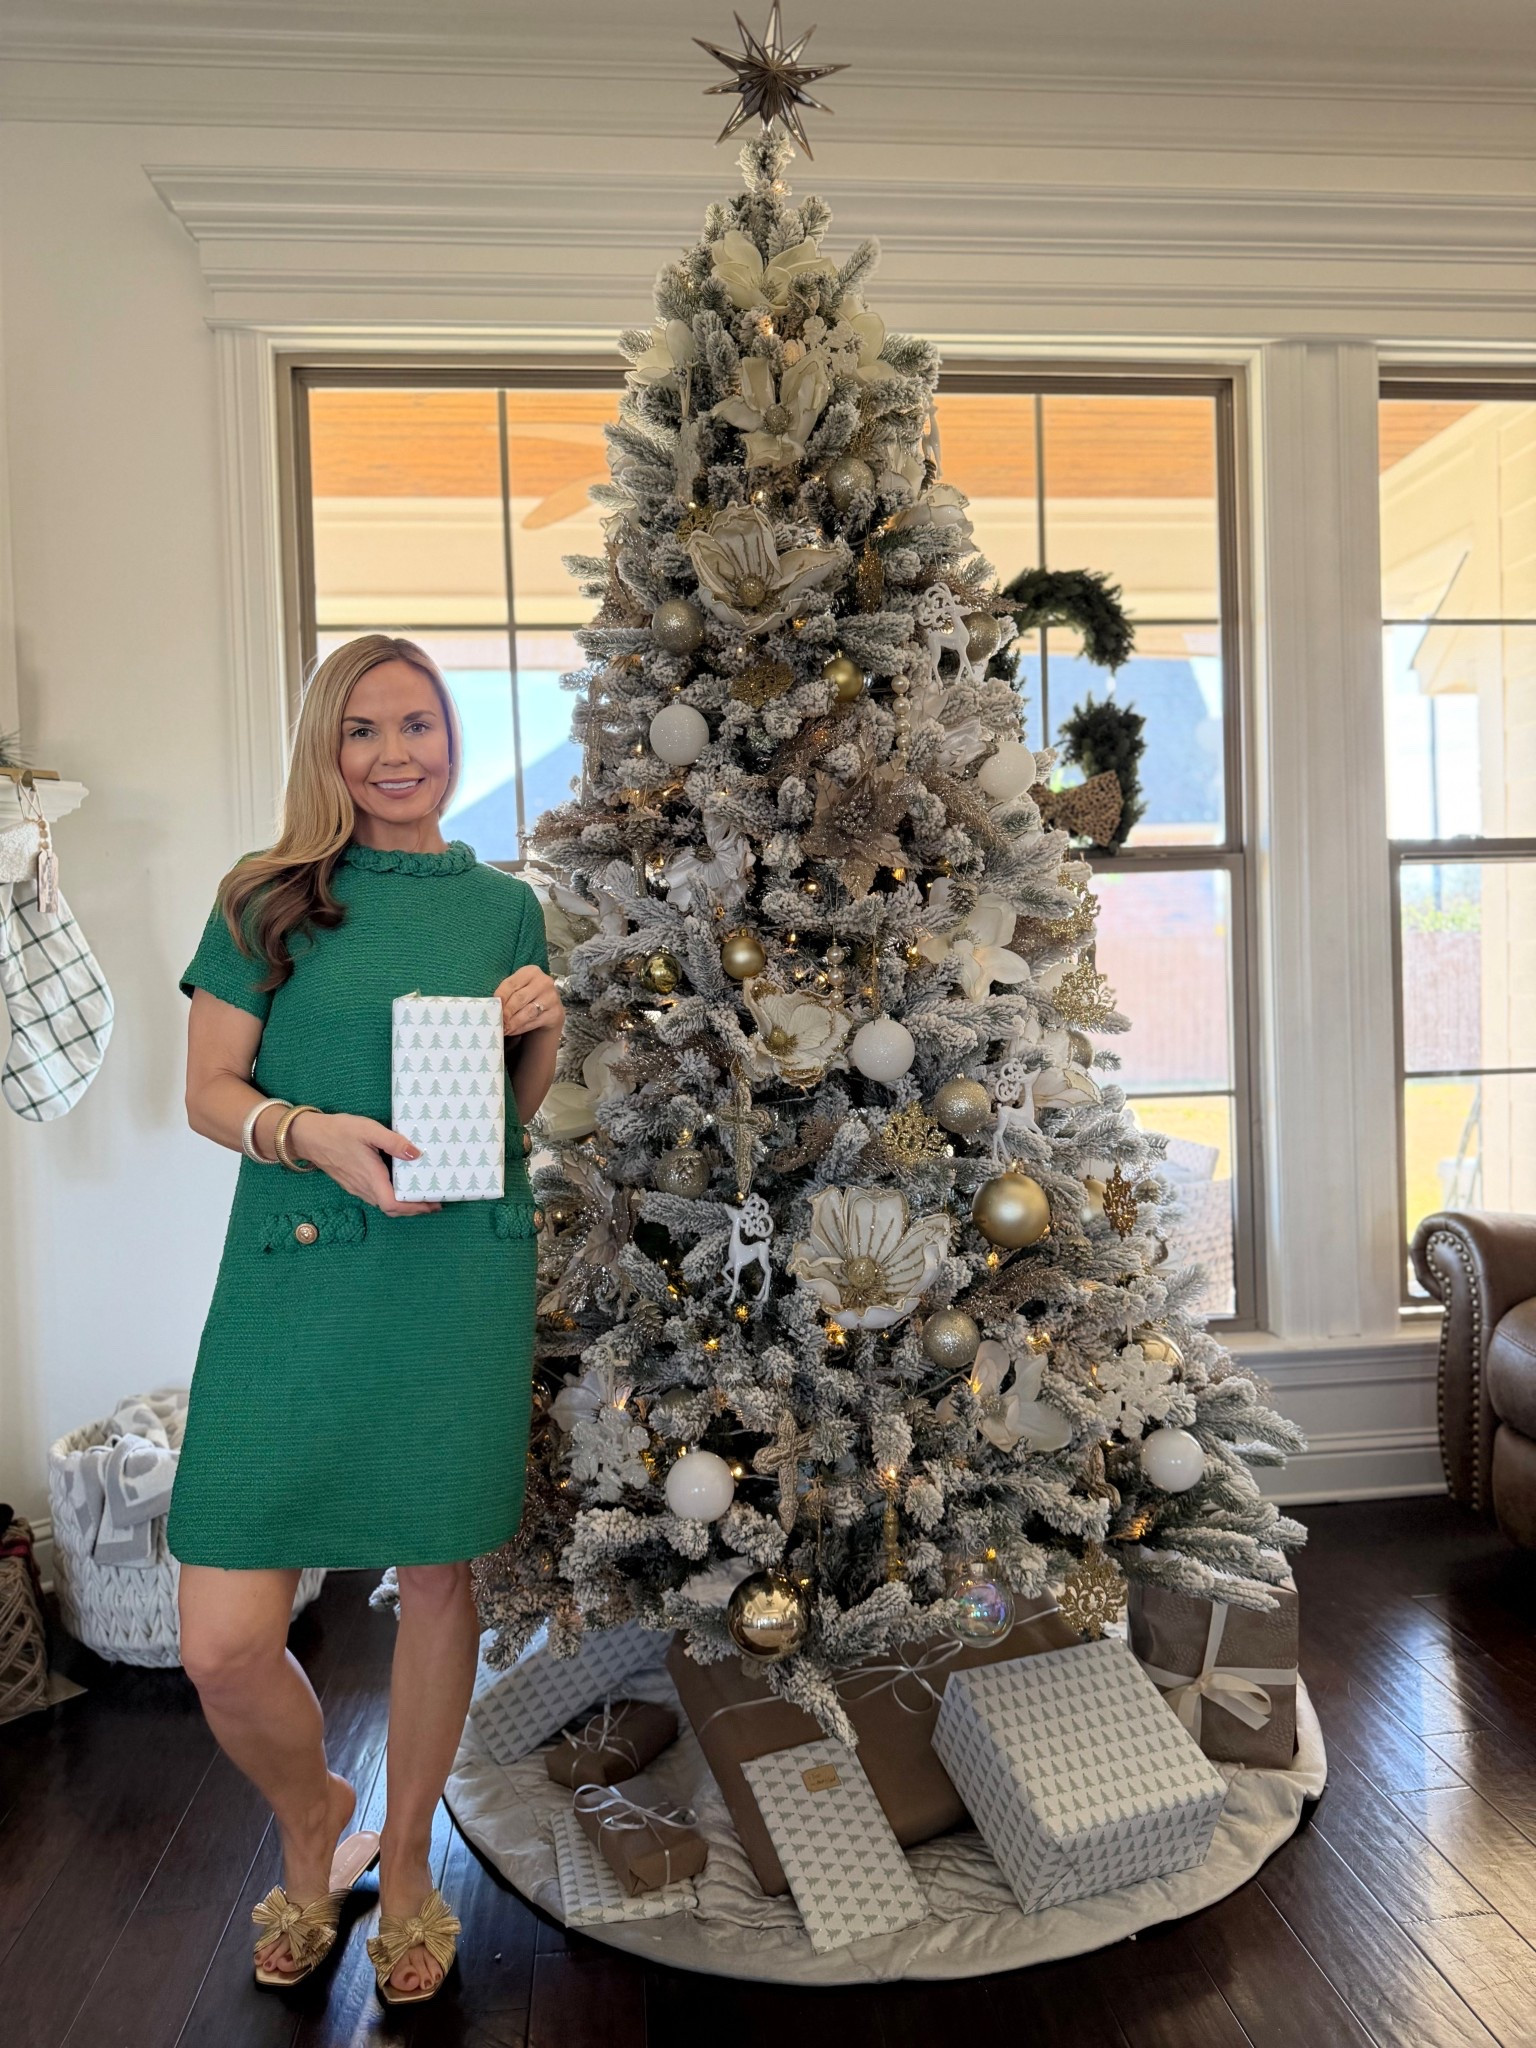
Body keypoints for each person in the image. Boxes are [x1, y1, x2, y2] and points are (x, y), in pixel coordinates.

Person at [168, 633, 563, 2006]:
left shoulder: (504, 908)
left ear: (451, 737)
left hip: (450, 1274)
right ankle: (314, 1818)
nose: (397, 754)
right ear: (326, 751)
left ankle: (403, 1870)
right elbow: (208, 1092)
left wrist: (540, 1030)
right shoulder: (267, 897)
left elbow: (502, 1123)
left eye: (419, 725)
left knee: (438, 1579)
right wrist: (310, 1133)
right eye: (364, 730)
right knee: (221, 1643)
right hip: (292, 1278)